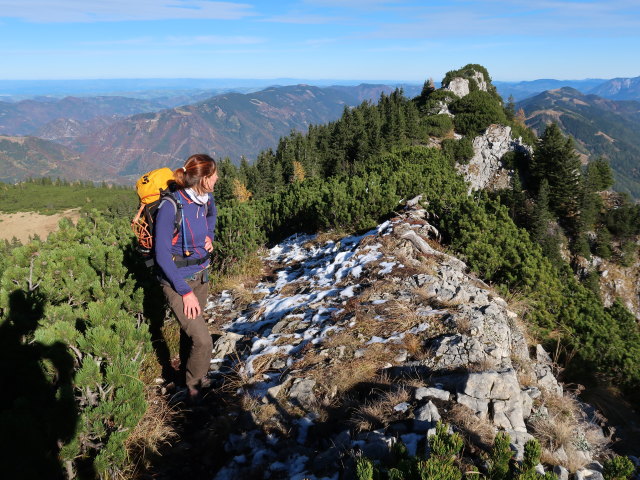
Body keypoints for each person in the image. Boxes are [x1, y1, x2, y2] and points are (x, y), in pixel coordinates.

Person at [154, 153, 218, 401]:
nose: (217, 178)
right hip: (177, 280)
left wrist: (209, 235)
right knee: (202, 340)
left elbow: (211, 216)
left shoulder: (205, 198)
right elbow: (161, 255)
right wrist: (185, 291)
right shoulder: (171, 206)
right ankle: (193, 390)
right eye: (214, 175)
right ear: (204, 179)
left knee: (189, 334)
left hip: (201, 275)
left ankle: (188, 375)